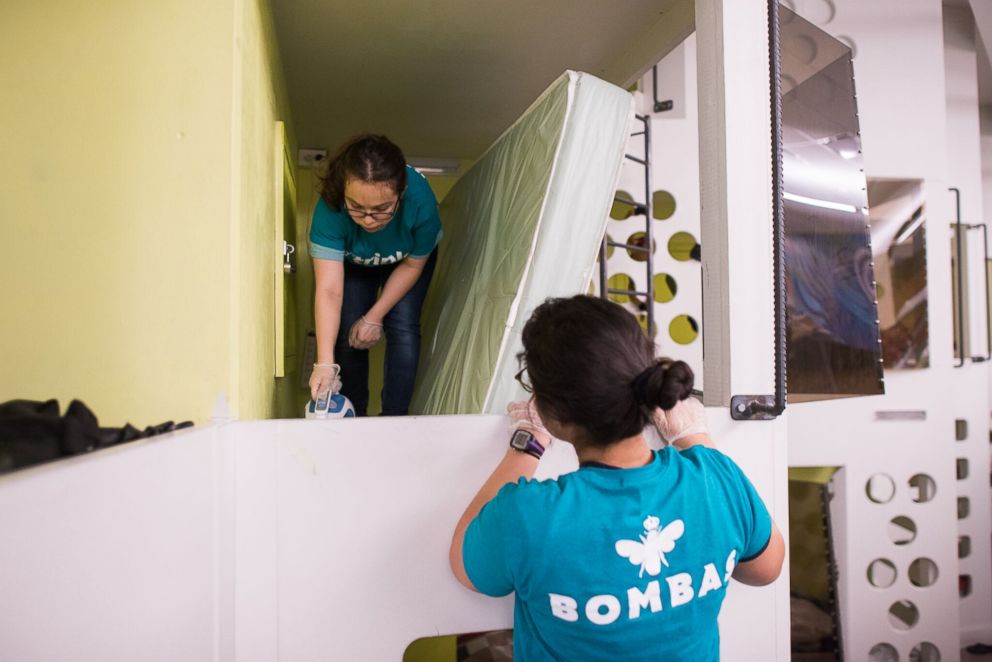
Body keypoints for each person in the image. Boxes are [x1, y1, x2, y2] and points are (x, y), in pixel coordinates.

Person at [449, 295, 785, 661]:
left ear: (551, 413)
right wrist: (694, 438)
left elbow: (465, 566)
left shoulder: (528, 515)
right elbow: (766, 569)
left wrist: (527, 443)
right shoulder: (716, 479)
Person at [308, 134, 442, 416]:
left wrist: (375, 316)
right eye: (356, 207)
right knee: (350, 330)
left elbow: (413, 266)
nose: (368, 219)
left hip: (405, 261)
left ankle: (395, 419)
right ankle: (355, 416)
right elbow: (329, 290)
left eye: (381, 210)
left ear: (400, 194)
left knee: (403, 326)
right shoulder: (329, 209)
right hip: (355, 261)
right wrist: (324, 364)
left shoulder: (421, 201)